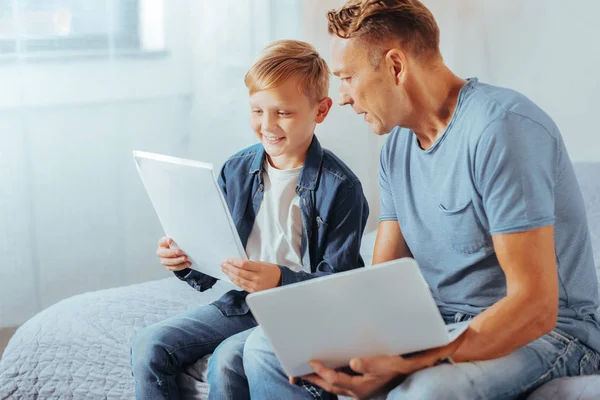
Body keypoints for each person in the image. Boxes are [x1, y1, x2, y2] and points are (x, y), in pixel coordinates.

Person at [242, 1, 600, 399]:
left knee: (424, 390)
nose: (342, 98)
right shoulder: (396, 147)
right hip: (436, 321)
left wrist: (413, 362)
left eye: (347, 77)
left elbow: (534, 306)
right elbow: (381, 286)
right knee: (263, 348)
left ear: (395, 66)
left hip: (551, 334)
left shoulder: (502, 129)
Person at [130, 39, 369, 400]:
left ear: (320, 111)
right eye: (257, 111)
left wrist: (278, 279)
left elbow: (339, 286)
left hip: (305, 311)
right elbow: (217, 254)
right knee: (150, 344)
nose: (267, 125)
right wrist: (183, 258)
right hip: (247, 304)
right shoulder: (238, 169)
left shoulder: (341, 187)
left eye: (283, 113)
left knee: (227, 360)